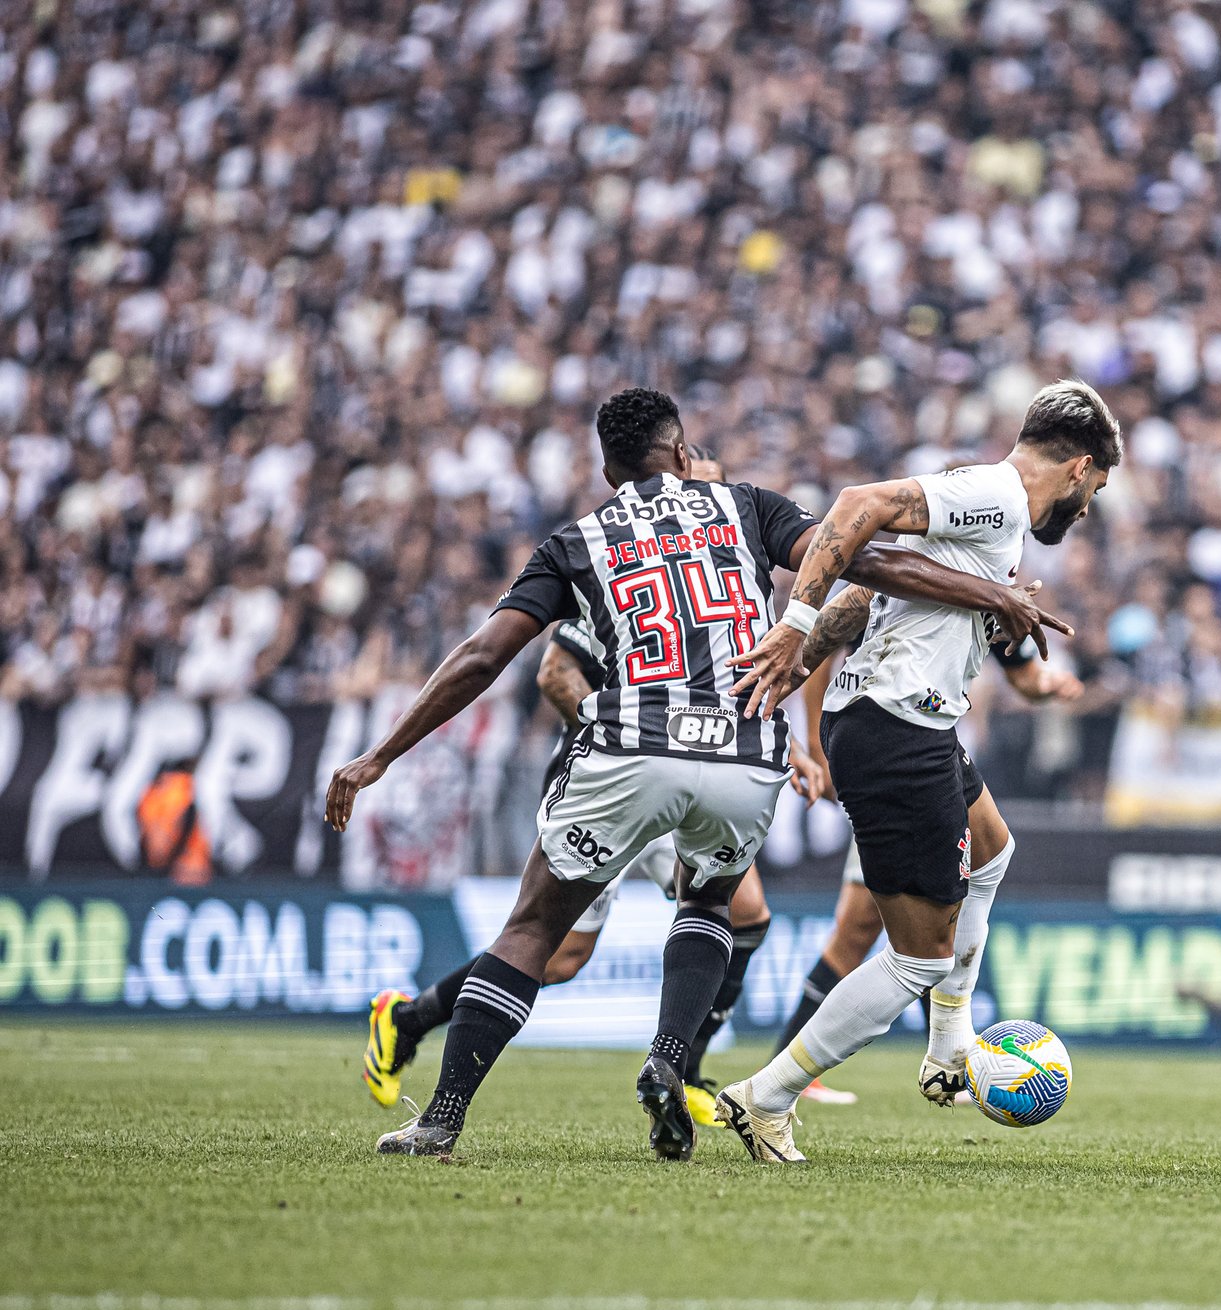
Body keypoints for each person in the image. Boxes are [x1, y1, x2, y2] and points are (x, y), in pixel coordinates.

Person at [326, 387, 1067, 1159]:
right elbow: (865, 555)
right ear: (684, 452)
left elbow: (486, 655)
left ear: (608, 468)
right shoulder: (744, 506)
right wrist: (991, 592)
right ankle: (671, 1064)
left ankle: (440, 1118)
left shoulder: (580, 538)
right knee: (714, 901)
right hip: (742, 753)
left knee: (536, 927)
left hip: (630, 745)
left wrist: (381, 753)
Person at [712, 378, 1120, 1163]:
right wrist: (793, 621)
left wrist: (794, 661)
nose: (1089, 508)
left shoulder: (987, 527)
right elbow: (858, 503)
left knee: (995, 849)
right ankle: (766, 1097)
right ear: (1077, 470)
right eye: (1096, 490)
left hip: (903, 722)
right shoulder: (994, 497)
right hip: (897, 731)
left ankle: (947, 1044)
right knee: (915, 958)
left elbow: (869, 598)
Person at [359, 450, 823, 1127]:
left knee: (743, 911)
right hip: (619, 766)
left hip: (693, 764)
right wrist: (622, 734)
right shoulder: (631, 551)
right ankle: (409, 1018)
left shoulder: (725, 570)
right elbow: (554, 671)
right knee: (562, 950)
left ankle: (679, 1068)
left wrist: (795, 745)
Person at [773, 623, 1085, 1106]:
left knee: (924, 919)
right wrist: (816, 743)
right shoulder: (912, 578)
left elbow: (1024, 675)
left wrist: (1051, 686)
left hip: (937, 759)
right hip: (893, 756)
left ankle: (942, 1058)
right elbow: (829, 638)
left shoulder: (992, 592)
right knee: (885, 932)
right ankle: (788, 1072)